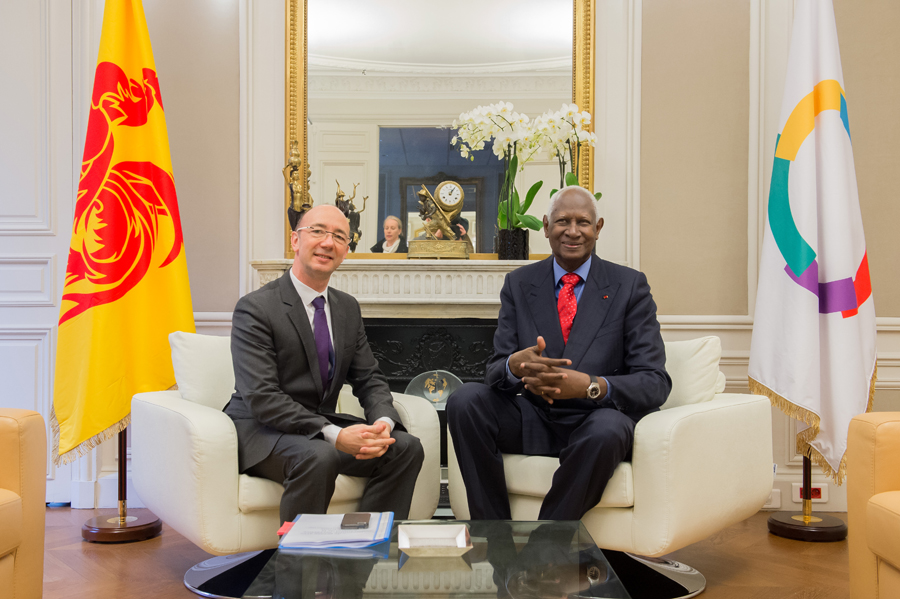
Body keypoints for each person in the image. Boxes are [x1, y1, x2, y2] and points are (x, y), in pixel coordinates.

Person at [447, 185, 671, 521]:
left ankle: (545, 547)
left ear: (598, 228)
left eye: (583, 222)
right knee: (465, 400)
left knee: (609, 428)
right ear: (546, 227)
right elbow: (495, 370)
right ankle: (494, 536)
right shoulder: (519, 284)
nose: (572, 231)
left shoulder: (629, 286)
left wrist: (589, 385)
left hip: (595, 421)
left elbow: (655, 382)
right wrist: (514, 366)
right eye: (562, 221)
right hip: (532, 417)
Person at [224, 204, 425, 523]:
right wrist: (333, 434)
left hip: (315, 426)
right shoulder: (256, 308)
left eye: (339, 236)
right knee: (320, 456)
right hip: (262, 430)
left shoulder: (346, 308)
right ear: (295, 240)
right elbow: (262, 397)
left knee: (404, 447)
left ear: (346, 251)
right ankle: (298, 569)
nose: (327, 242)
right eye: (317, 231)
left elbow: (369, 379)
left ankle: (362, 554)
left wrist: (382, 424)